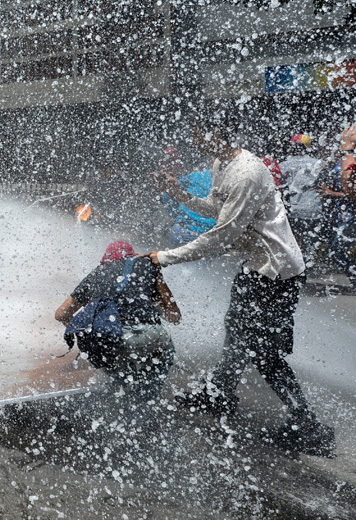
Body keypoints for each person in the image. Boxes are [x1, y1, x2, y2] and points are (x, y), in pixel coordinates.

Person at [149, 118, 334, 456]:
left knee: (266, 354)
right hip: (254, 267)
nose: (195, 140)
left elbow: (222, 234)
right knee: (235, 331)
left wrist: (164, 257)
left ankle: (308, 425)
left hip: (278, 274)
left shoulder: (247, 172)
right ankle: (219, 395)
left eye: (198, 133)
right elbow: (219, 210)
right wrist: (182, 196)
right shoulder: (223, 163)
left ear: (218, 135)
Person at [56, 240, 182, 408]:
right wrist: (156, 279)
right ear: (132, 255)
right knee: (155, 368)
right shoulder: (148, 267)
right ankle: (145, 404)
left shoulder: (97, 274)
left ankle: (120, 400)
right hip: (152, 335)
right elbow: (174, 316)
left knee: (113, 363)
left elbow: (61, 314)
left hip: (115, 339)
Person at [281, 134, 326, 272]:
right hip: (312, 209)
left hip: (292, 210)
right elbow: (323, 185)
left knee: (291, 243)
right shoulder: (318, 164)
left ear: (292, 147)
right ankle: (306, 270)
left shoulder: (284, 164)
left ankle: (292, 272)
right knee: (309, 245)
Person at [318, 127, 356, 285]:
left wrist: (332, 193)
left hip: (351, 215)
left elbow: (353, 193)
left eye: (349, 133)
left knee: (335, 250)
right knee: (335, 250)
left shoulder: (351, 161)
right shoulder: (345, 159)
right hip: (342, 214)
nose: (344, 133)